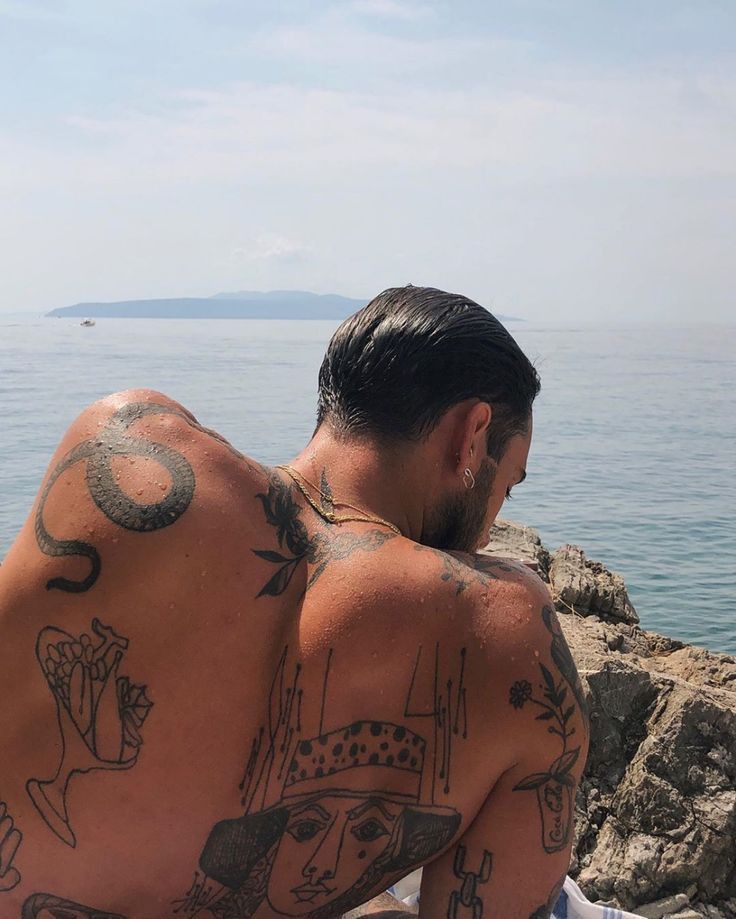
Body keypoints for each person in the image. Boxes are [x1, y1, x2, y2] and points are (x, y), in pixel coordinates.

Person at [0, 285, 588, 918]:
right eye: (509, 487)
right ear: (472, 437)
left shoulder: (127, 441)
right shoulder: (506, 630)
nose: (488, 527)